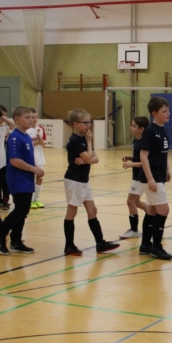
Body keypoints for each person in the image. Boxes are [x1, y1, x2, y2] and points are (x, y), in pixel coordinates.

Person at [62, 109, 120, 256]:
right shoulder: (75, 140)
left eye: (90, 122)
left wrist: (88, 157)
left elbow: (95, 158)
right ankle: (69, 245)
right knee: (72, 211)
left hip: (83, 180)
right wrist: (89, 146)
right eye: (86, 122)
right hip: (74, 180)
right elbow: (89, 158)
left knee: (92, 210)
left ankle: (100, 243)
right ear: (75, 124)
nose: (89, 125)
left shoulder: (83, 138)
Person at [0, 106, 42, 255]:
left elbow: (27, 157)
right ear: (17, 120)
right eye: (27, 117)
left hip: (27, 178)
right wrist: (33, 169)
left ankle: (16, 241)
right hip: (17, 179)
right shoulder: (15, 137)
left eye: (32, 117)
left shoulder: (26, 136)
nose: (31, 120)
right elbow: (14, 160)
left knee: (24, 211)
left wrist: (36, 169)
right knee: (20, 209)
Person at [138, 96, 172, 260]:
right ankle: (156, 247)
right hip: (151, 178)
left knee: (151, 210)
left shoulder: (162, 130)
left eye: (168, 111)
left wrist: (167, 169)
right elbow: (143, 156)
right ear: (154, 113)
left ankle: (145, 245)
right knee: (163, 210)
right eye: (164, 111)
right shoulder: (150, 131)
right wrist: (150, 179)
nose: (168, 114)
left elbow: (162, 153)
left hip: (159, 175)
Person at [119, 116, 149, 239]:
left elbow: (147, 162)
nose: (131, 128)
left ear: (141, 129)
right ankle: (154, 213)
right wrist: (130, 158)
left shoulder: (145, 143)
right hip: (137, 176)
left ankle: (134, 230)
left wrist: (131, 164)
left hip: (141, 177)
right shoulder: (137, 141)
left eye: (133, 126)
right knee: (136, 202)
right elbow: (138, 158)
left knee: (130, 201)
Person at [28, 107, 46, 209]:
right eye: (32, 117)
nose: (34, 119)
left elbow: (44, 144)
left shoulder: (41, 129)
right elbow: (27, 145)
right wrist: (37, 142)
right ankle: (30, 200)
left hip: (39, 157)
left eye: (36, 117)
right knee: (30, 179)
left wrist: (41, 141)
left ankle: (36, 199)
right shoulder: (26, 130)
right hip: (30, 157)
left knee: (40, 178)